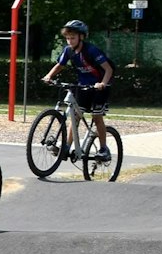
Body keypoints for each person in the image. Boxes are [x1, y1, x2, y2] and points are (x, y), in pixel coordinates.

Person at [41, 19, 115, 158]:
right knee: (75, 116)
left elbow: (108, 69)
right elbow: (60, 65)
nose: (70, 41)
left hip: (99, 86)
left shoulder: (91, 50)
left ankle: (104, 149)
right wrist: (49, 76)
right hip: (83, 86)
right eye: (67, 38)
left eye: (73, 38)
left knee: (97, 116)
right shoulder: (68, 50)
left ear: (81, 37)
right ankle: (66, 147)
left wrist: (102, 84)